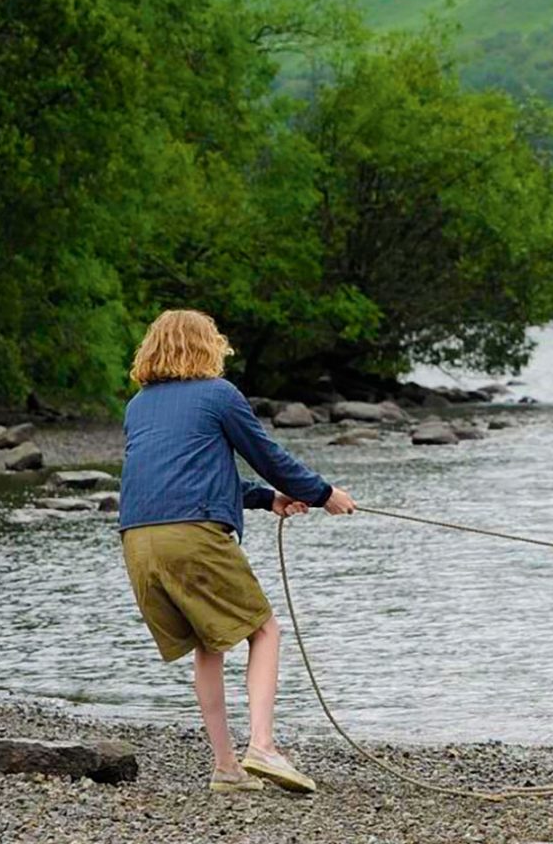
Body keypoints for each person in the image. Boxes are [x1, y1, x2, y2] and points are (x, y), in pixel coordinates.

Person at [117, 308, 356, 795]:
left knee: (210, 644)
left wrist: (268, 499)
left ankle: (227, 767)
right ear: (207, 347)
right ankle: (263, 746)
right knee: (263, 630)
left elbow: (182, 473)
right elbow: (267, 455)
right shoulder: (218, 395)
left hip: (137, 539)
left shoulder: (138, 406)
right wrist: (321, 492)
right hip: (192, 534)